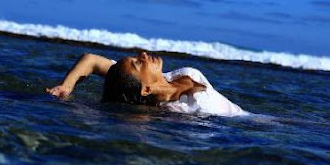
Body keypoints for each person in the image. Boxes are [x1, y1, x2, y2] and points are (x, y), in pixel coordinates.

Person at [46, 52, 249, 117]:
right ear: (146, 90)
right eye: (137, 63)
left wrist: (67, 86)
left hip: (251, 116)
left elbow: (90, 59)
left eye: (136, 57)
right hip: (247, 125)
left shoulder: (162, 78)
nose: (143, 54)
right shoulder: (182, 110)